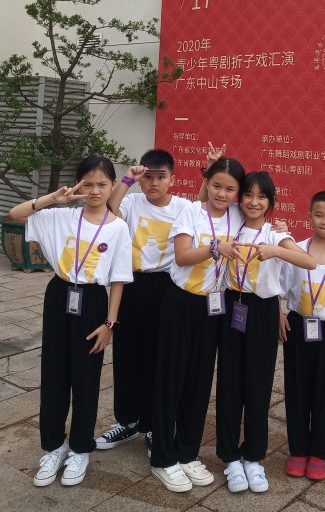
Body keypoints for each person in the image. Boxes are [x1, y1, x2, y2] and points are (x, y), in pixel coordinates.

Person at [9, 156, 132, 488]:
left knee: (87, 377)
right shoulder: (62, 216)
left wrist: (110, 324)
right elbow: (15, 214)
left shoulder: (118, 228)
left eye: (102, 184)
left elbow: (118, 279)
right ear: (78, 184)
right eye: (87, 184)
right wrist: (52, 198)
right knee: (54, 374)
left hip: (93, 300)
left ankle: (80, 449)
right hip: (59, 294)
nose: (94, 191)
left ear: (112, 185)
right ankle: (53, 447)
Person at [217, 171, 317, 494]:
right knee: (229, 383)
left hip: (261, 312)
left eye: (262, 197)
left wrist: (276, 250)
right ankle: (230, 457)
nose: (254, 202)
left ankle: (253, 457)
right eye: (248, 195)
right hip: (231, 306)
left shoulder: (276, 234)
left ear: (271, 202)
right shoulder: (231, 225)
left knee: (258, 385)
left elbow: (308, 261)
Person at [150, 157, 246, 492]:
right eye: (216, 185)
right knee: (171, 379)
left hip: (214, 307)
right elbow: (182, 256)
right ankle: (162, 458)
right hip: (181, 303)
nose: (222, 194)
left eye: (230, 189)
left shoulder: (238, 215)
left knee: (200, 381)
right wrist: (215, 248)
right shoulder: (190, 212)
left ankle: (187, 452)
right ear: (207, 183)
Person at [96, 149, 191, 457]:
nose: (154, 183)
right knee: (127, 354)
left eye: (161, 177)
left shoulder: (183, 207)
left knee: (157, 357)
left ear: (172, 179)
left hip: (165, 287)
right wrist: (126, 179)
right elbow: (109, 210)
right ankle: (126, 420)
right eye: (148, 177)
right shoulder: (133, 201)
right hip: (131, 284)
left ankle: (152, 426)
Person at [280, 191, 325, 482]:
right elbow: (278, 285)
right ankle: (298, 450)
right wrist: (279, 314)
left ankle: (318, 453)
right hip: (298, 326)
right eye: (319, 215)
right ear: (309, 216)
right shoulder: (295, 250)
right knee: (296, 388)